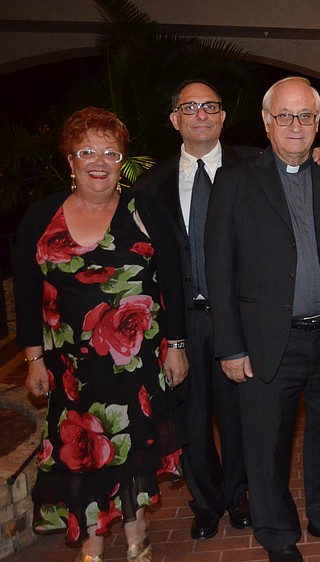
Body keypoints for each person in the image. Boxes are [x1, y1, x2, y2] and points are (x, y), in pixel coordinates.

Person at [134, 79, 320, 541]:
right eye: (190, 107)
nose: (202, 115)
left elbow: (299, 153)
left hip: (248, 319)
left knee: (242, 420)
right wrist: (170, 335)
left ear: (225, 117)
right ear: (175, 119)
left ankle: (241, 496)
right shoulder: (150, 186)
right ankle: (206, 503)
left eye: (212, 105)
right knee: (192, 415)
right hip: (186, 317)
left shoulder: (252, 162)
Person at [14, 107, 189, 562]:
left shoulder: (144, 208)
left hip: (136, 363)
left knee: (131, 448)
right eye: (87, 151)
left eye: (110, 152)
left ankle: (136, 534)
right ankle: (92, 536)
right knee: (83, 452)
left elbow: (173, 282)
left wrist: (178, 347)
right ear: (69, 159)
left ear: (121, 161)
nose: (98, 161)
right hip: (71, 369)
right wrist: (33, 358)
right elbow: (29, 292)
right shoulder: (41, 216)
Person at [205, 76, 320, 562]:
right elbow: (219, 265)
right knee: (265, 445)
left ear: (318, 123)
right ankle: (276, 534)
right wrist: (230, 346)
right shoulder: (235, 179)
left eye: (306, 116)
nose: (295, 125)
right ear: (266, 122)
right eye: (285, 116)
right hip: (264, 342)